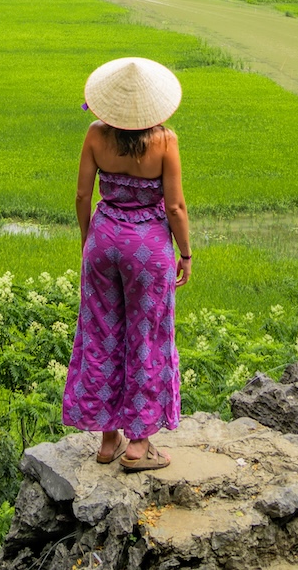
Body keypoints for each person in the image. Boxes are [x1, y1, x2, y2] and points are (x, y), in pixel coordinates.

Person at [62, 56, 191, 472]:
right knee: (146, 337)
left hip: (104, 240)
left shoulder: (96, 135)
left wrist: (89, 239)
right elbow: (174, 205)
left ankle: (106, 440)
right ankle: (138, 445)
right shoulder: (166, 142)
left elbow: (83, 196)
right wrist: (185, 253)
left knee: (101, 333)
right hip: (148, 249)